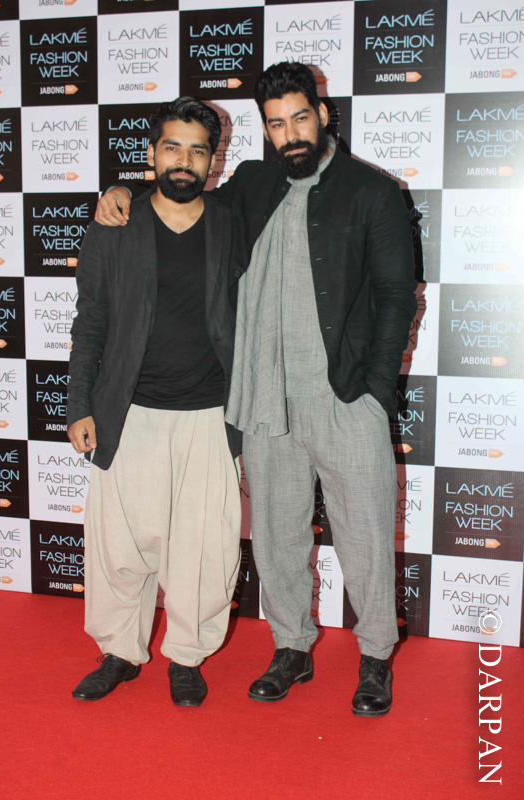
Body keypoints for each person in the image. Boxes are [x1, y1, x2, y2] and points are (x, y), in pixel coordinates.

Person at [95, 62, 417, 717]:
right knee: (275, 538)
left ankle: (376, 655)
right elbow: (181, 199)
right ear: (265, 131)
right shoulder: (251, 182)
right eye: (275, 124)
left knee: (364, 537)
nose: (290, 133)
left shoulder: (373, 192)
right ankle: (292, 647)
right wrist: (121, 189)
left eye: (300, 117)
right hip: (265, 400)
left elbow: (395, 295)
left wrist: (375, 391)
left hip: (344, 398)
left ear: (322, 115)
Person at [67, 98, 241, 707]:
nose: (184, 161)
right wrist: (78, 404)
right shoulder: (115, 225)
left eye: (198, 150)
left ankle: (186, 657)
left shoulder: (232, 223)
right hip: (129, 411)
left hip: (209, 415)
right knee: (118, 546)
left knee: (203, 548)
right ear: (151, 154)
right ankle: (119, 651)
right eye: (173, 147)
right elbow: (90, 320)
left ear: (213, 161)